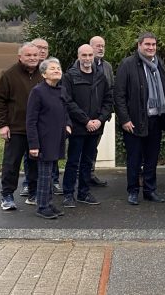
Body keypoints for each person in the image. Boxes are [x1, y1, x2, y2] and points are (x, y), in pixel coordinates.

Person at [114, 32, 165, 206]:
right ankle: (133, 191)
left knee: (151, 158)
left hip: (156, 118)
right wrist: (124, 119)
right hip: (134, 120)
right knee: (134, 158)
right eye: (147, 44)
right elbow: (119, 95)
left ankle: (150, 190)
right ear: (139, 45)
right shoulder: (127, 64)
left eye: (153, 44)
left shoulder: (159, 63)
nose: (151, 47)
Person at [61, 44, 113, 208]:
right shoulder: (69, 77)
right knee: (73, 162)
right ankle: (68, 194)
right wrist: (86, 121)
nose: (87, 58)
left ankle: (84, 193)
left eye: (90, 55)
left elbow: (108, 100)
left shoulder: (100, 77)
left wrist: (100, 120)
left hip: (95, 127)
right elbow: (68, 102)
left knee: (88, 162)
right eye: (84, 55)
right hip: (78, 128)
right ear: (78, 56)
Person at [0, 42, 41, 211]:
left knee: (35, 164)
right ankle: (7, 195)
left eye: (35, 55)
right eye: (28, 55)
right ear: (20, 57)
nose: (32, 58)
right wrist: (3, 124)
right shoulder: (9, 75)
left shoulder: (44, 73)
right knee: (11, 163)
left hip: (37, 129)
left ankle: (34, 193)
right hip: (16, 128)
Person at [26, 58, 71, 219]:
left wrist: (68, 125)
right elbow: (31, 120)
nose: (57, 70)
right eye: (52, 68)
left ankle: (49, 203)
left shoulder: (61, 90)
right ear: (44, 74)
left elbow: (65, 111)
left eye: (58, 68)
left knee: (51, 174)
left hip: (57, 138)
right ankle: (42, 206)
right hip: (43, 140)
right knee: (44, 175)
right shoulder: (37, 91)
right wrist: (33, 144)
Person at [88, 35, 114, 187]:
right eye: (97, 45)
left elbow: (111, 88)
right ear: (90, 47)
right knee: (82, 148)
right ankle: (80, 176)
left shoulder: (107, 67)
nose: (101, 48)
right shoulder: (82, 64)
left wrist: (106, 112)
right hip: (85, 117)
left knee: (94, 146)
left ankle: (90, 174)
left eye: (103, 45)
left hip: (101, 116)